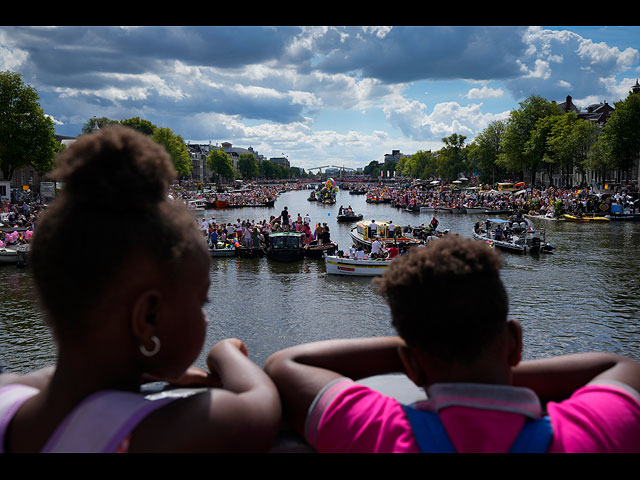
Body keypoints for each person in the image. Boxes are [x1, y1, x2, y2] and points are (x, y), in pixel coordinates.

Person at [0, 126, 281, 453]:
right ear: (147, 318)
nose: (205, 317)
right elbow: (260, 403)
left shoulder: (9, 391)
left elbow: (69, 374)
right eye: (202, 302)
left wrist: (142, 371)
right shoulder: (147, 434)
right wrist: (225, 352)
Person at [264, 235, 640, 453]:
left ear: (410, 365)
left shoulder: (386, 435)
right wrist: (497, 369)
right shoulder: (586, 436)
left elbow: (286, 364)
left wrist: (421, 347)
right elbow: (618, 366)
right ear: (514, 343)